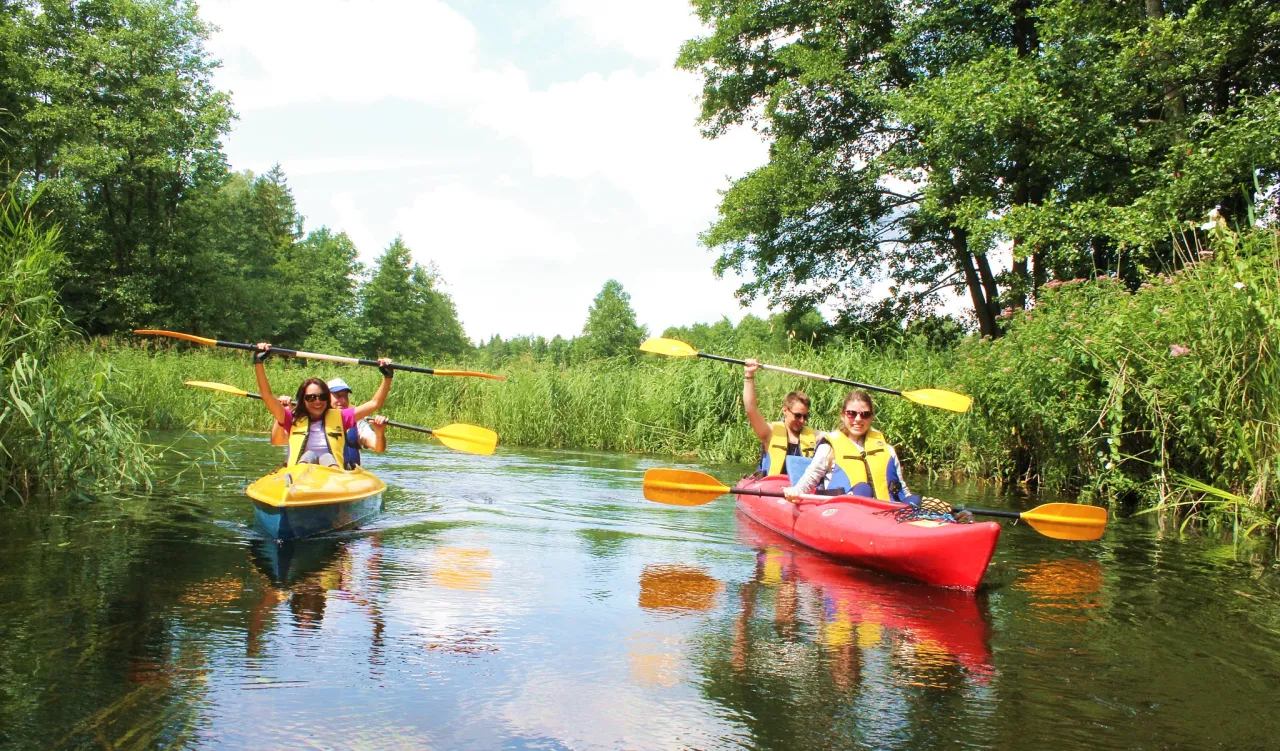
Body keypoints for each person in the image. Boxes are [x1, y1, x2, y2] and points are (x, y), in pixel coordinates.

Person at [254, 343, 393, 468]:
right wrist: (259, 362)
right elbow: (267, 395)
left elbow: (375, 403)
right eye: (311, 397)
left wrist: (387, 377)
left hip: (331, 473)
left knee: (327, 458)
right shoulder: (291, 417)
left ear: (327, 399)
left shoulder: (342, 417)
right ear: (303, 400)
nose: (317, 401)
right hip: (300, 473)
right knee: (309, 456)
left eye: (322, 397)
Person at [783, 390, 911, 503]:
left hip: (884, 512)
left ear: (871, 417)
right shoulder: (829, 448)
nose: (858, 419)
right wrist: (796, 491)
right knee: (863, 489)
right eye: (852, 413)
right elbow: (811, 477)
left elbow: (901, 487)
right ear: (843, 415)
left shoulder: (888, 450)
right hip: (844, 511)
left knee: (914, 500)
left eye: (865, 414)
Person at [270, 378, 389, 466]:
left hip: (341, 474)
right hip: (304, 471)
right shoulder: (299, 419)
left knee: (328, 458)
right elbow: (278, 440)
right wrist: (283, 411)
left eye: (345, 396)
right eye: (337, 396)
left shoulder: (357, 422)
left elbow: (378, 448)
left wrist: (379, 433)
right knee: (310, 456)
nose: (342, 401)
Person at [743, 358, 817, 476]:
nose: (802, 420)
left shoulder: (815, 436)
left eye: (805, 416)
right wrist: (749, 374)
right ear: (785, 410)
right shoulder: (770, 432)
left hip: (799, 489)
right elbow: (751, 408)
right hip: (772, 487)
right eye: (797, 416)